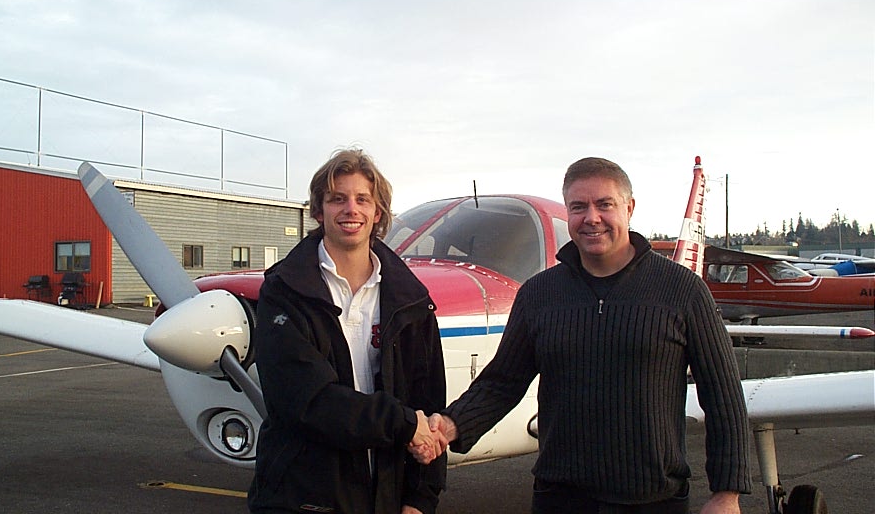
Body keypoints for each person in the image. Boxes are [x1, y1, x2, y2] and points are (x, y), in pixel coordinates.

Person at [415, 157, 751, 514]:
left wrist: (726, 493)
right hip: (560, 498)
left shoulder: (684, 290)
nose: (592, 218)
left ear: (629, 208)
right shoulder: (538, 294)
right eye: (578, 207)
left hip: (654, 500)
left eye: (604, 204)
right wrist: (451, 425)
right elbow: (503, 382)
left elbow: (723, 395)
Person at [249, 148, 447, 514]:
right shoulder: (282, 292)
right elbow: (307, 401)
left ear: (378, 213)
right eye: (337, 199)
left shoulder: (411, 301)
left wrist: (420, 498)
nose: (350, 209)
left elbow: (428, 402)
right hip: (302, 499)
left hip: (385, 497)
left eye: (362, 200)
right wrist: (404, 425)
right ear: (318, 210)